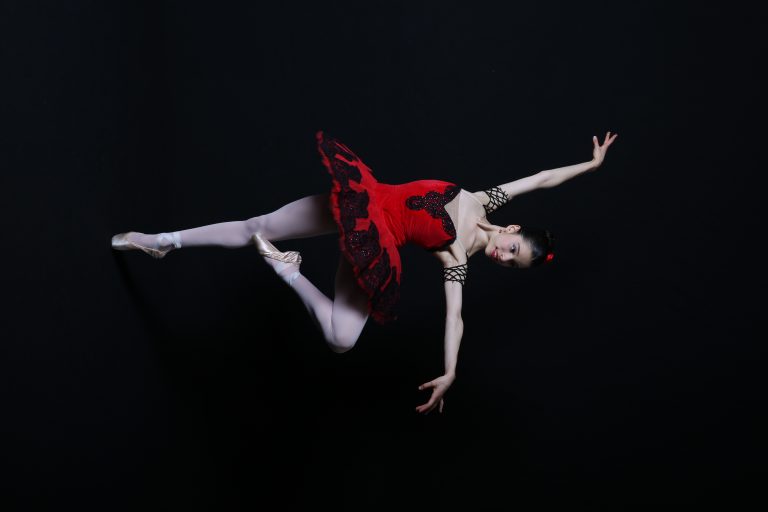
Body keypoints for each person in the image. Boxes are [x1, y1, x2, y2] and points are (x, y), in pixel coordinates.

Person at [112, 130, 618, 414]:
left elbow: (455, 319)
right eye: (512, 248)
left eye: (511, 263)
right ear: (511, 228)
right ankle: (160, 242)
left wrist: (451, 370)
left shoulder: (457, 261)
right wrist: (590, 166)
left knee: (341, 339)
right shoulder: (484, 199)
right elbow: (541, 178)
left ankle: (288, 272)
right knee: (256, 226)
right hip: (360, 202)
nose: (503, 257)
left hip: (372, 245)